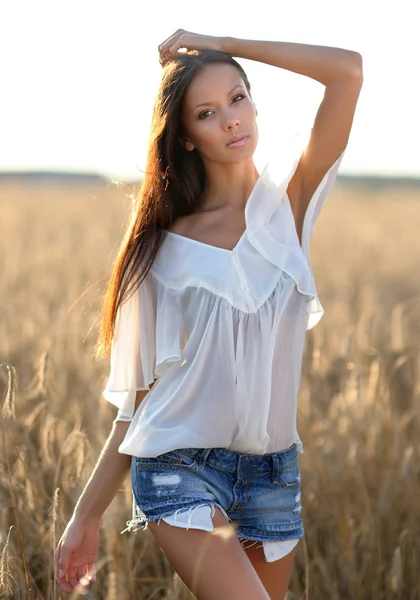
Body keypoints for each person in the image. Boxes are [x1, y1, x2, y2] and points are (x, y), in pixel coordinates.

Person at [55, 30, 363, 599]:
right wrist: (87, 516)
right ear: (186, 137)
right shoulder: (160, 251)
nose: (230, 120)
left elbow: (346, 70)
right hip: (180, 470)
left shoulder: (290, 207)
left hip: (274, 476)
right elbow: (141, 403)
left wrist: (221, 42)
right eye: (207, 112)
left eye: (238, 98)